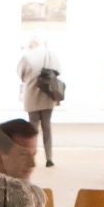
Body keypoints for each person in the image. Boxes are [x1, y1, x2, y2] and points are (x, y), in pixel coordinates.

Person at [18, 38, 63, 166]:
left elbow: (20, 75)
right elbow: (58, 71)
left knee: (32, 128)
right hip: (47, 95)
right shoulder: (50, 55)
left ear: (32, 43)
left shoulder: (26, 57)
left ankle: (31, 157)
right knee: (46, 127)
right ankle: (49, 158)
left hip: (31, 96)